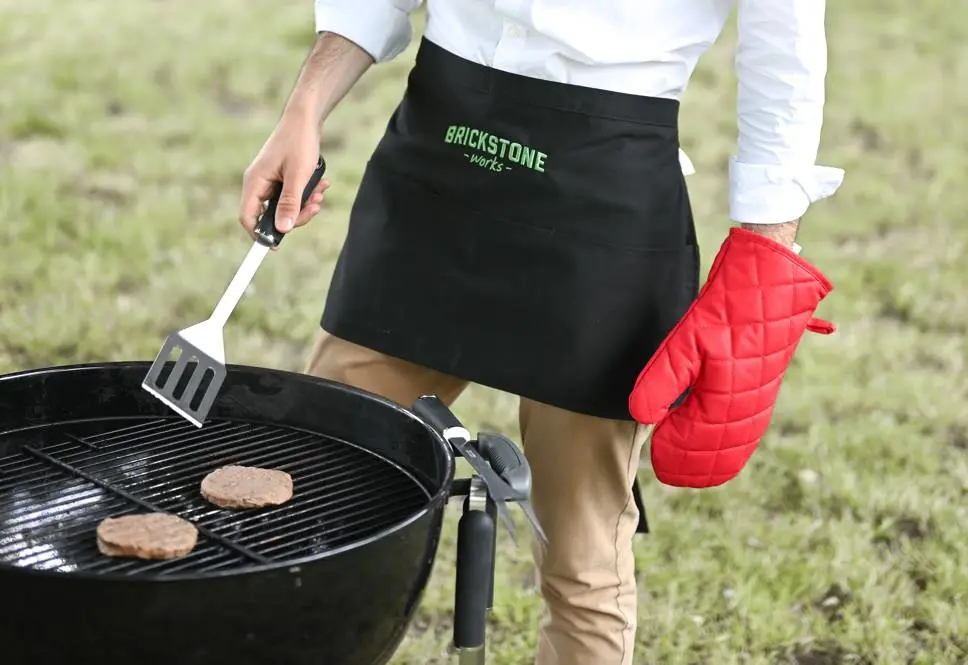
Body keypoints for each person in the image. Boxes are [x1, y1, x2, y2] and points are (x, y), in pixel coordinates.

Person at [238, 1, 845, 662]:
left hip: (602, 198)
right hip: (434, 161)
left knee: (581, 559)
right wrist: (305, 108)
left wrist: (763, 260)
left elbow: (784, 50)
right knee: (314, 492)